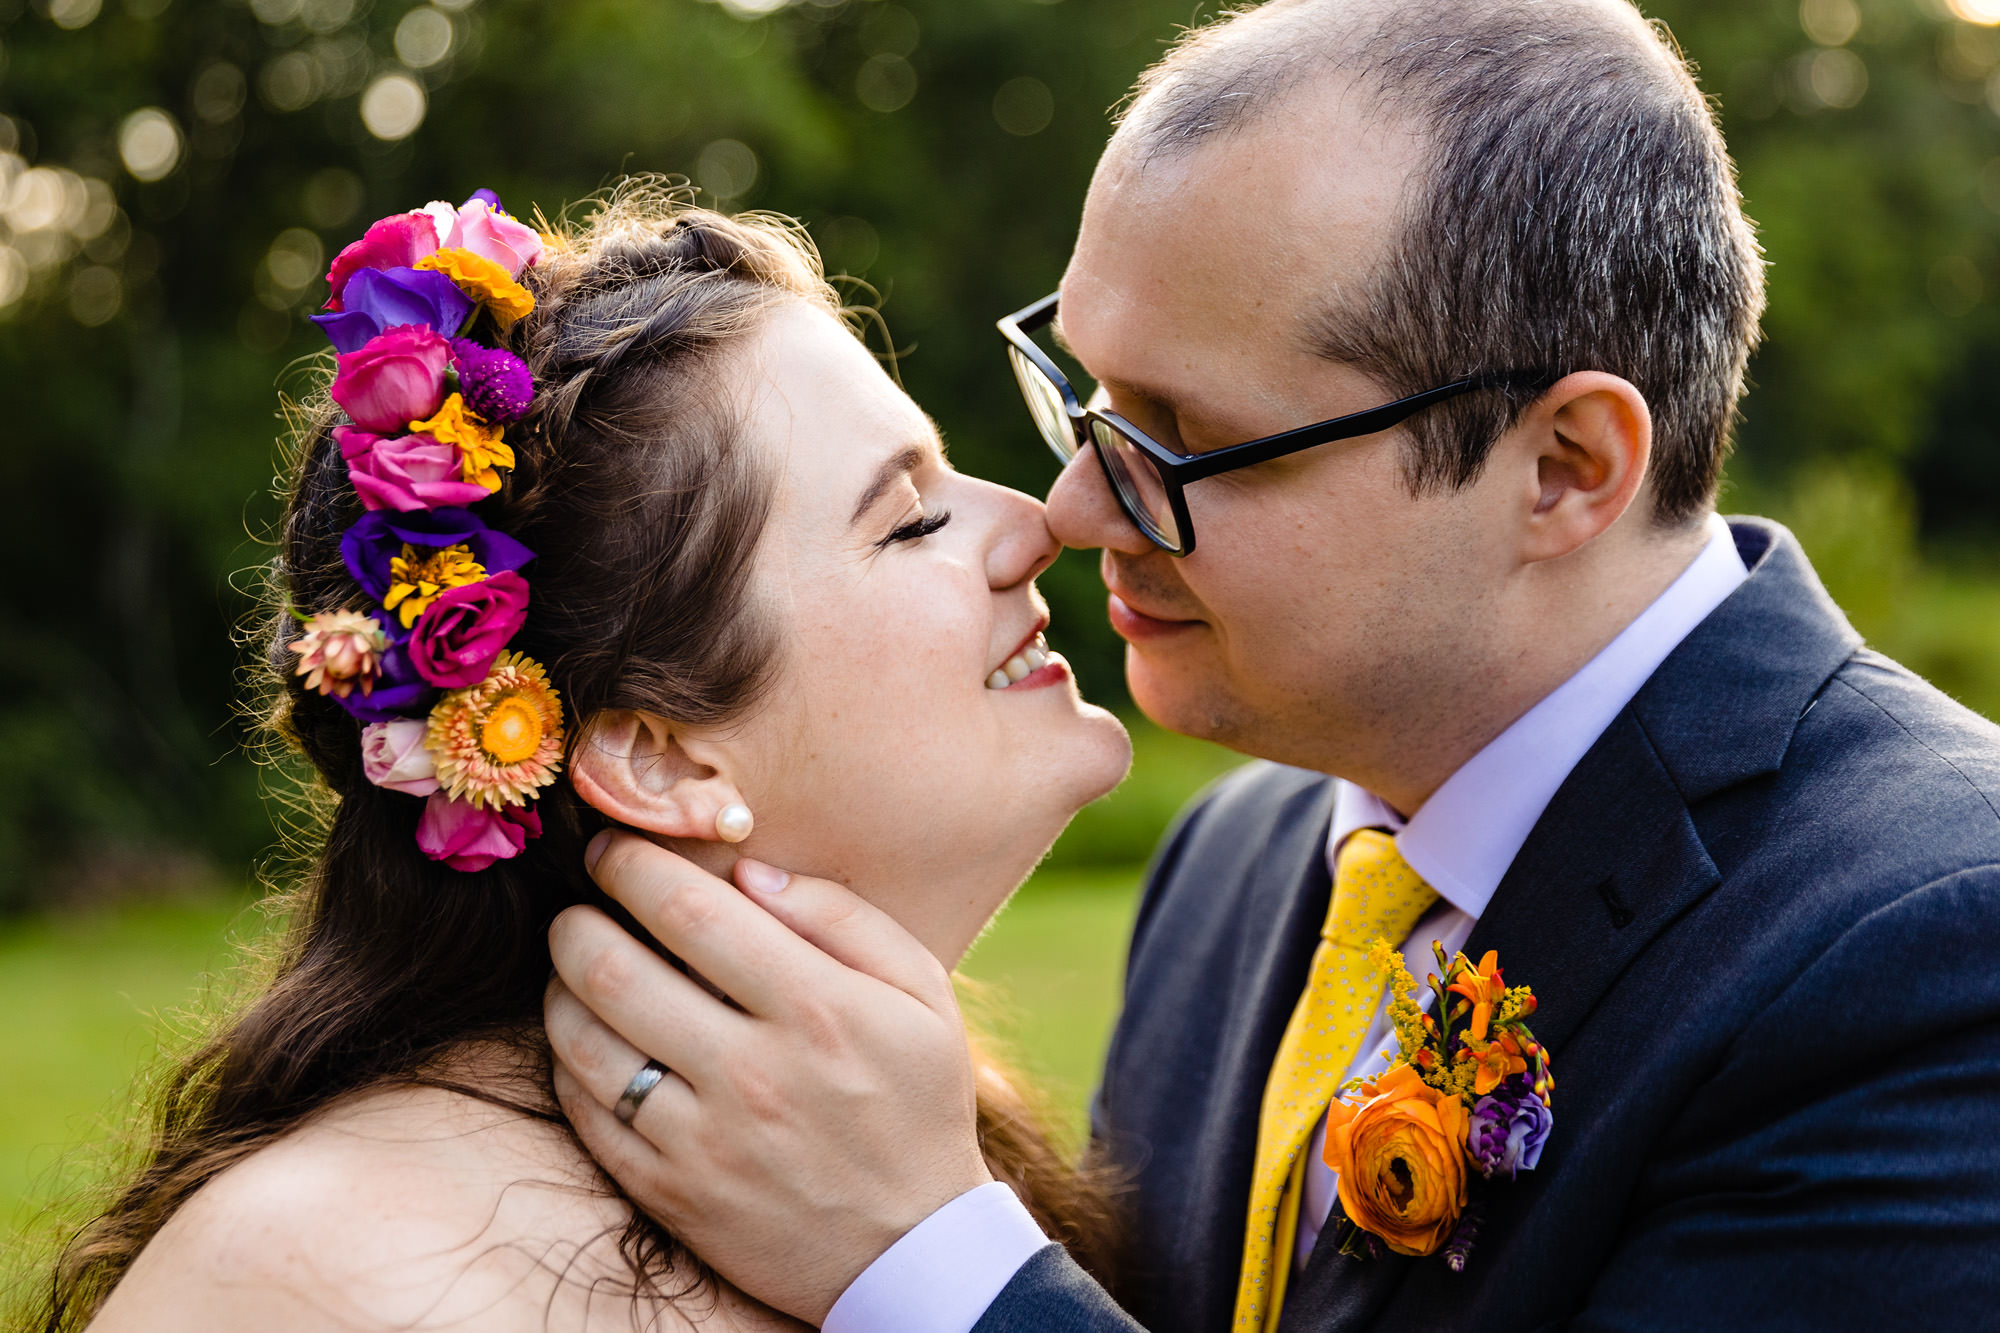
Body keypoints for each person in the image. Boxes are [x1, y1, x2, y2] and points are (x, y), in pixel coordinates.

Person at [541, 2, 2000, 1330]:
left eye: (1180, 437)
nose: (1071, 511)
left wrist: (923, 1265)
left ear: (1563, 468)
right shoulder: (1233, 865)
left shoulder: (1933, 953)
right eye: (1085, 395)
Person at [40, 183, 1134, 1332]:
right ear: (659, 758)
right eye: (908, 519)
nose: (1035, 520)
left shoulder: (927, 1152)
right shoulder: (341, 1285)